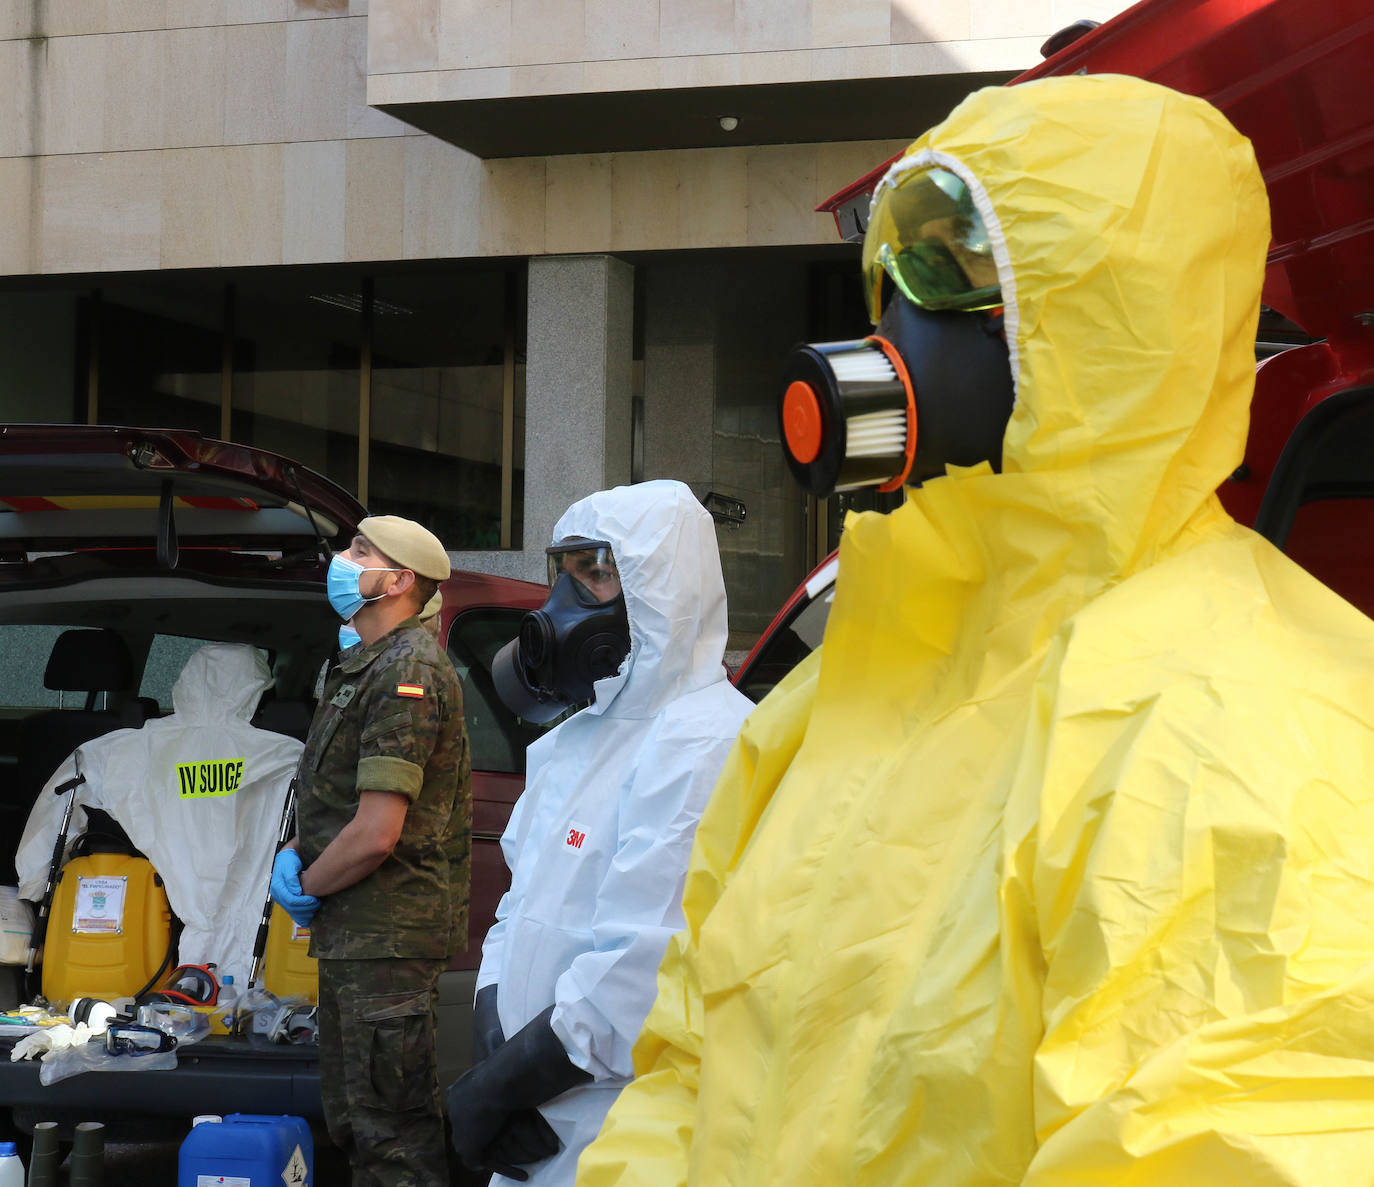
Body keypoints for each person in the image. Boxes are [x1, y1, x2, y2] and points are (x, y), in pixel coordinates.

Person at [576, 76, 1374, 1186]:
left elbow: (1233, 1138)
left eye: (956, 264)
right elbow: (688, 1071)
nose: (900, 312)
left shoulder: (1250, 710)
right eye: (894, 263)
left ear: (1116, 313)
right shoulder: (830, 706)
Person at [445, 479, 753, 1185]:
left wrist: (500, 1085)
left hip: (627, 1127)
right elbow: (515, 913)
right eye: (566, 571)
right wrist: (497, 1052)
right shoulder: (570, 741)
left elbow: (643, 969)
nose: (566, 599)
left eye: (598, 572)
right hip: (533, 1121)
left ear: (663, 585)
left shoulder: (706, 742)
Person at [271, 515, 470, 1187]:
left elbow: (378, 829)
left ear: (399, 579)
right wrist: (298, 849)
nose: (342, 558)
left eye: (360, 550)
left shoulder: (408, 669)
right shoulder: (364, 663)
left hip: (384, 940)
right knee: (359, 1123)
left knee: (392, 1139)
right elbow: (342, 794)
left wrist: (311, 883)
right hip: (359, 939)